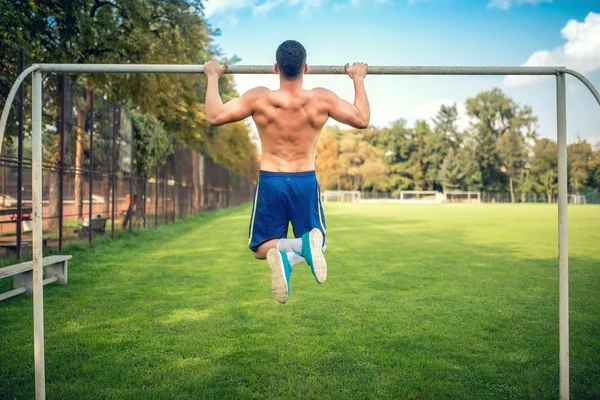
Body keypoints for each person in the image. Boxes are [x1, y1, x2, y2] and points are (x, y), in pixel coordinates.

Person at [204, 40, 370, 303]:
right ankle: (298, 250)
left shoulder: (259, 98)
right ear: (305, 67)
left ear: (275, 68)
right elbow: (362, 120)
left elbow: (214, 116)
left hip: (272, 179)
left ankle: (290, 251)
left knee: (260, 248)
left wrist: (213, 76)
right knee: (319, 243)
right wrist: (358, 79)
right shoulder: (321, 99)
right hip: (305, 180)